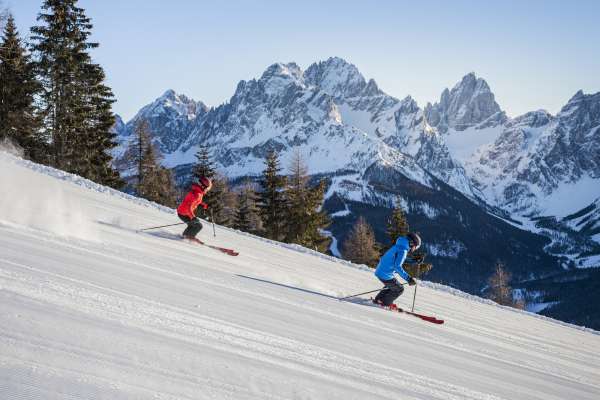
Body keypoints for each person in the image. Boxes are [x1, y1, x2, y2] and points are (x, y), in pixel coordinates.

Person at [373, 232, 421, 309]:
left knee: (391, 286)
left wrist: (413, 261)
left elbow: (397, 259)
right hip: (385, 273)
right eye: (416, 247)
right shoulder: (403, 251)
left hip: (381, 270)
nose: (414, 249)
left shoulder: (399, 246)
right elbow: (397, 267)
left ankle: (378, 299)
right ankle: (385, 303)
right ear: (411, 243)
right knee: (399, 289)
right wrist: (409, 279)